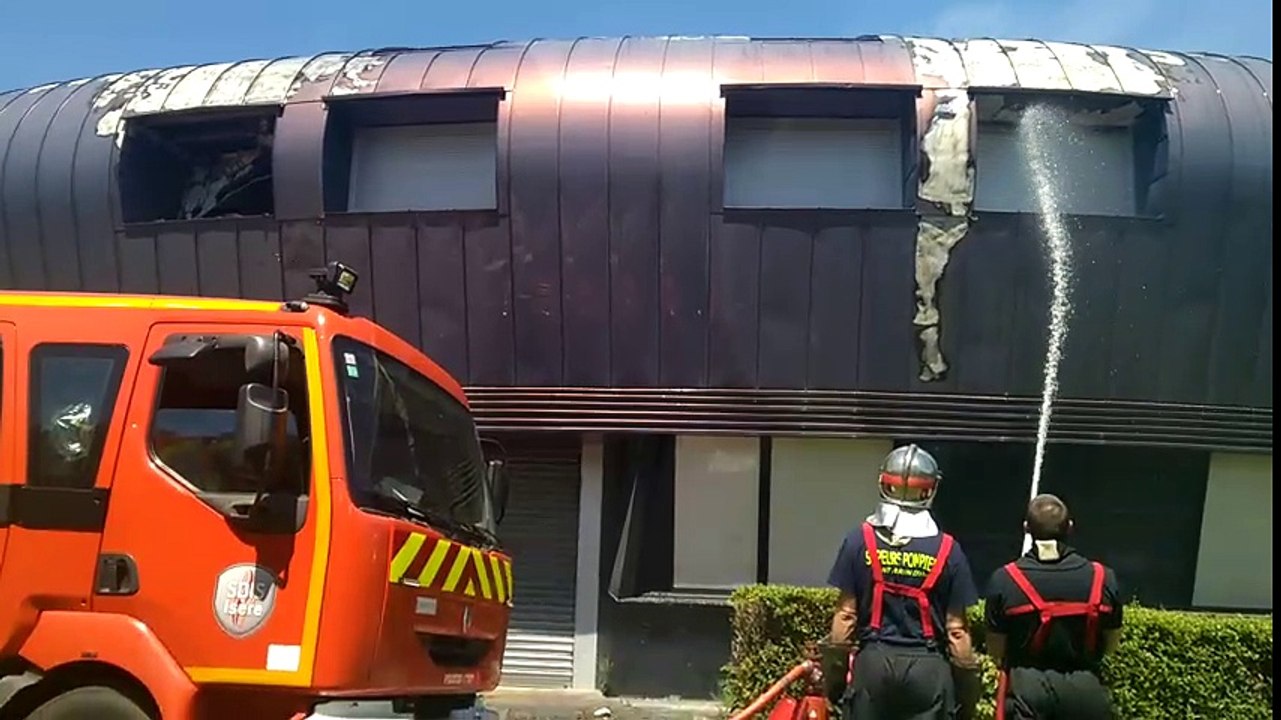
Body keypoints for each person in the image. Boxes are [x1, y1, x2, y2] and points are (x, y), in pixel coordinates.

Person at [824, 444, 981, 720]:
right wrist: (968, 695)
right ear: (930, 489)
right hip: (929, 671)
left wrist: (834, 683)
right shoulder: (949, 550)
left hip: (873, 667)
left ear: (884, 483)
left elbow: (845, 618)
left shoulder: (858, 540)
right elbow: (957, 632)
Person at [984, 494, 1124, 720]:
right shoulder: (1103, 578)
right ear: (1070, 527)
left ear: (1026, 528)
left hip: (1028, 692)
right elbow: (1111, 644)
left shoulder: (1005, 579)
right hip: (1087, 693)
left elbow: (996, 649)